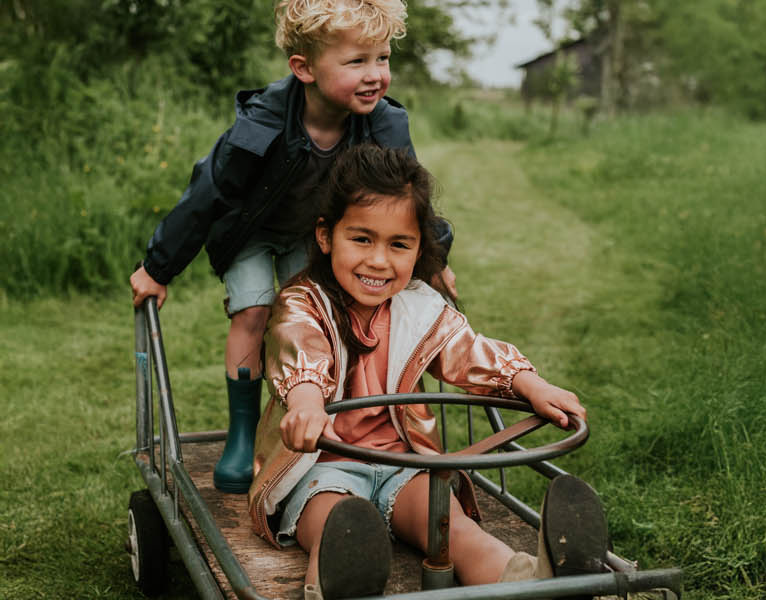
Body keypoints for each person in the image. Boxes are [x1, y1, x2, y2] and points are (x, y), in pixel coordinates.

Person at [248, 145, 610, 599]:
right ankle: (341, 581)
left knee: (453, 529)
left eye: (398, 245)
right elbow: (299, 350)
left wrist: (529, 383)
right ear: (326, 236)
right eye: (362, 239)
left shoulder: (418, 306)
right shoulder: (304, 302)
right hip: (325, 465)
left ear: (419, 248)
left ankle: (538, 583)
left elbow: (468, 351)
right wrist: (305, 404)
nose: (380, 261)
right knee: (334, 525)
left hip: (404, 464)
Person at [126, 0, 455, 495]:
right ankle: (241, 436)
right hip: (250, 233)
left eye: (382, 58)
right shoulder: (262, 123)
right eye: (356, 62)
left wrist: (434, 262)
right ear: (303, 68)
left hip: (313, 235)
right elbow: (208, 191)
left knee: (318, 318)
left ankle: (309, 422)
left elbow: (404, 199)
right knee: (254, 314)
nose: (375, 76)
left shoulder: (383, 124)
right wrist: (157, 267)